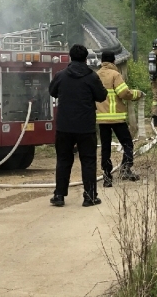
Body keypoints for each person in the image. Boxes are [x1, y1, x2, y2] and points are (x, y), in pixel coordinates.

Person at [49, 44, 108, 207]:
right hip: (86, 127)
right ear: (85, 58)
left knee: (63, 160)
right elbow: (102, 96)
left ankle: (59, 195)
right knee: (88, 161)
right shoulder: (91, 77)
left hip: (64, 126)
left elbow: (52, 91)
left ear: (70, 57)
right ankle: (89, 197)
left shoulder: (61, 75)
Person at [96, 50, 143, 186]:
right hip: (117, 118)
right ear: (114, 61)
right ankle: (126, 169)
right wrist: (137, 94)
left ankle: (107, 176)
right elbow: (124, 93)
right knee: (127, 143)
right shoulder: (115, 75)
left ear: (101, 61)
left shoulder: (96, 75)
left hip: (102, 119)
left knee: (105, 147)